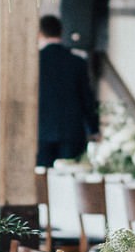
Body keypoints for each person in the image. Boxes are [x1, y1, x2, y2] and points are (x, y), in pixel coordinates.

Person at [37, 13, 99, 165]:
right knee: (69, 179)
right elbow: (87, 99)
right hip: (72, 132)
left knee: (42, 179)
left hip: (41, 131)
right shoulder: (77, 62)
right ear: (61, 32)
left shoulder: (35, 61)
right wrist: (94, 129)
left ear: (40, 34)